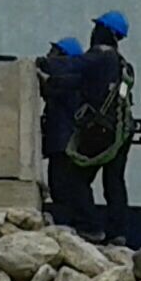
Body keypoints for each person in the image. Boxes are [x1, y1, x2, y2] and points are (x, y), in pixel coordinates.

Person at [62, 11, 135, 245]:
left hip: (103, 131)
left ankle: (90, 227)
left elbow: (73, 66)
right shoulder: (121, 64)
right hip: (121, 131)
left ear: (105, 32)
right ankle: (118, 233)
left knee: (75, 178)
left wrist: (44, 64)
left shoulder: (100, 57)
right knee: (114, 183)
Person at [38, 37, 92, 234]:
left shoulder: (70, 79)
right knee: (62, 186)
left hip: (65, 144)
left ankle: (72, 227)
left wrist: (41, 66)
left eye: (54, 52)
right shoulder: (71, 79)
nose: (49, 55)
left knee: (63, 186)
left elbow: (52, 78)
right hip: (62, 143)